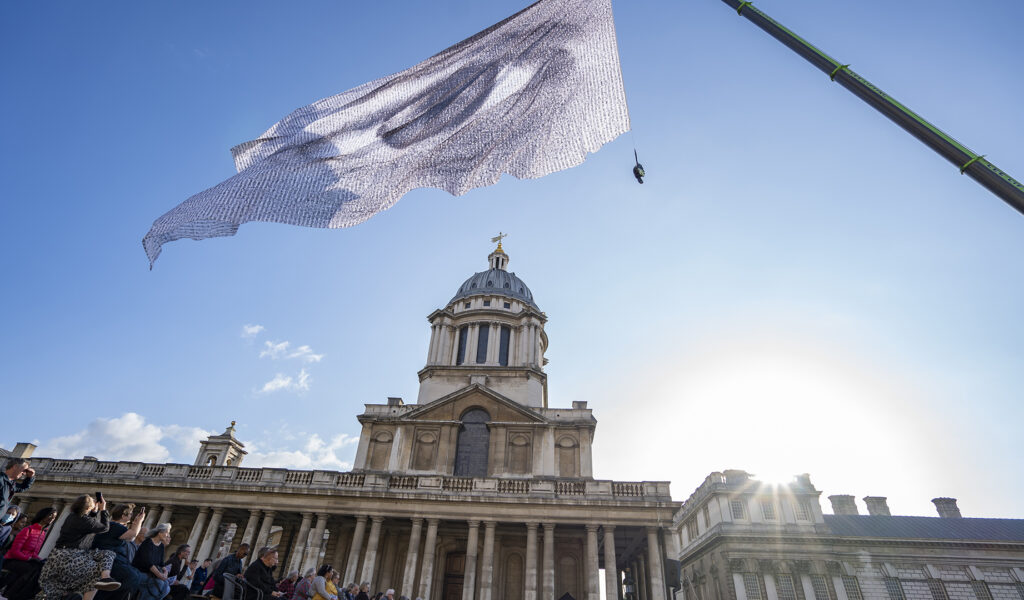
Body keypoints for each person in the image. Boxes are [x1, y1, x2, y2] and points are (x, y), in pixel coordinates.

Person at [37, 494, 121, 600]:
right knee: (98, 569)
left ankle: (106, 578)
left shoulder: (72, 517)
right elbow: (104, 528)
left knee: (107, 554)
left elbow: (89, 524)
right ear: (87, 507)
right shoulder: (84, 521)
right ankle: (104, 578)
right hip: (71, 556)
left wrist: (94, 512)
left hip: (58, 555)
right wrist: (103, 510)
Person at [1, 506, 57, 600]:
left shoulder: (42, 533)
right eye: (50, 514)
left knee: (42, 569)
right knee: (32, 570)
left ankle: (26, 596)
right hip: (12, 560)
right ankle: (11, 595)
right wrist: (29, 559)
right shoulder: (28, 530)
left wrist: (40, 560)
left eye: (54, 516)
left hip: (26, 561)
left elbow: (34, 553)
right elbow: (14, 551)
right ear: (43, 515)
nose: (52, 518)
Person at [132, 523, 173, 600]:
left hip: (151, 574)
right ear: (160, 533)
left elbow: (161, 563)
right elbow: (148, 563)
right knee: (159, 583)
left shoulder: (161, 546)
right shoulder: (147, 543)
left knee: (166, 587)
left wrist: (165, 573)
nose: (167, 535)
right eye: (166, 532)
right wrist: (160, 576)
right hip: (139, 572)